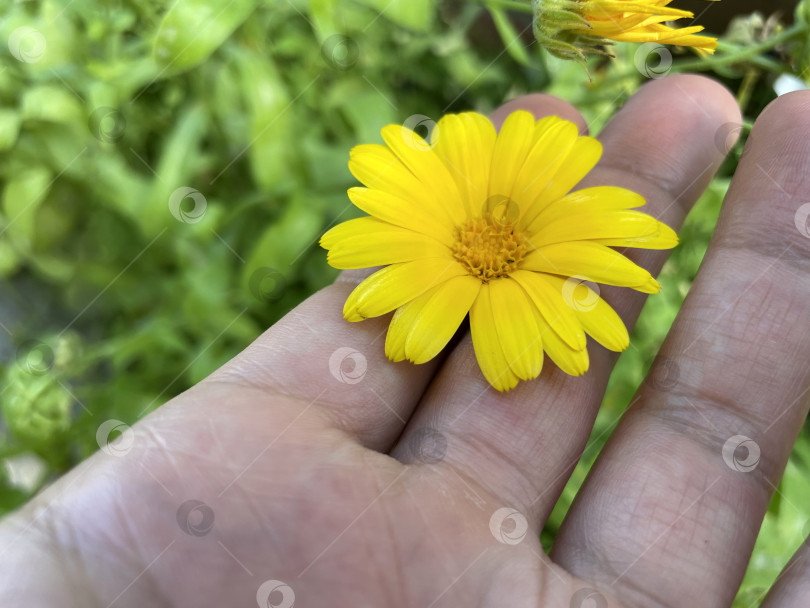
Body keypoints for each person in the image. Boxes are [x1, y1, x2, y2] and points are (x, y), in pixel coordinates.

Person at [1, 75, 809, 608]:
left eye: (500, 237)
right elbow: (384, 197)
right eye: (488, 235)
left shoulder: (545, 249)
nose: (494, 238)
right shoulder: (433, 255)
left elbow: (601, 278)